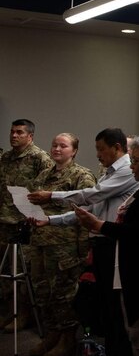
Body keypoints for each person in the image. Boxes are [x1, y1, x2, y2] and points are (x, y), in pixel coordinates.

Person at [29, 128, 139, 355]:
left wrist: (51, 195)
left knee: (115, 309)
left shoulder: (127, 170)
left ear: (117, 147)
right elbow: (88, 209)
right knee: (106, 307)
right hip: (99, 243)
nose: (98, 154)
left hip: (113, 244)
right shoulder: (109, 172)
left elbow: (92, 194)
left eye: (101, 149)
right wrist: (51, 220)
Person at [73, 136, 139, 356]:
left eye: (136, 161)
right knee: (137, 335)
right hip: (133, 271)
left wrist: (99, 225)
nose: (131, 166)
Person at [27, 133, 96, 356]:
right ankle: (52, 335)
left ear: (73, 151)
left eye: (63, 146)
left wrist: (83, 250)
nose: (57, 149)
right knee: (42, 291)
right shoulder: (44, 175)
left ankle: (67, 339)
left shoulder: (81, 176)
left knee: (64, 293)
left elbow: (86, 212)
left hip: (65, 244)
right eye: (54, 145)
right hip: (39, 241)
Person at [0, 119, 52, 331]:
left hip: (25, 222)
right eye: (12, 132)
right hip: (4, 221)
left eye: (19, 132)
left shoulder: (40, 158)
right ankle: (8, 313)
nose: (14, 136)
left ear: (30, 136)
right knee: (5, 273)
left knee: (23, 272)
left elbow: (48, 188)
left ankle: (24, 315)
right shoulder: (6, 158)